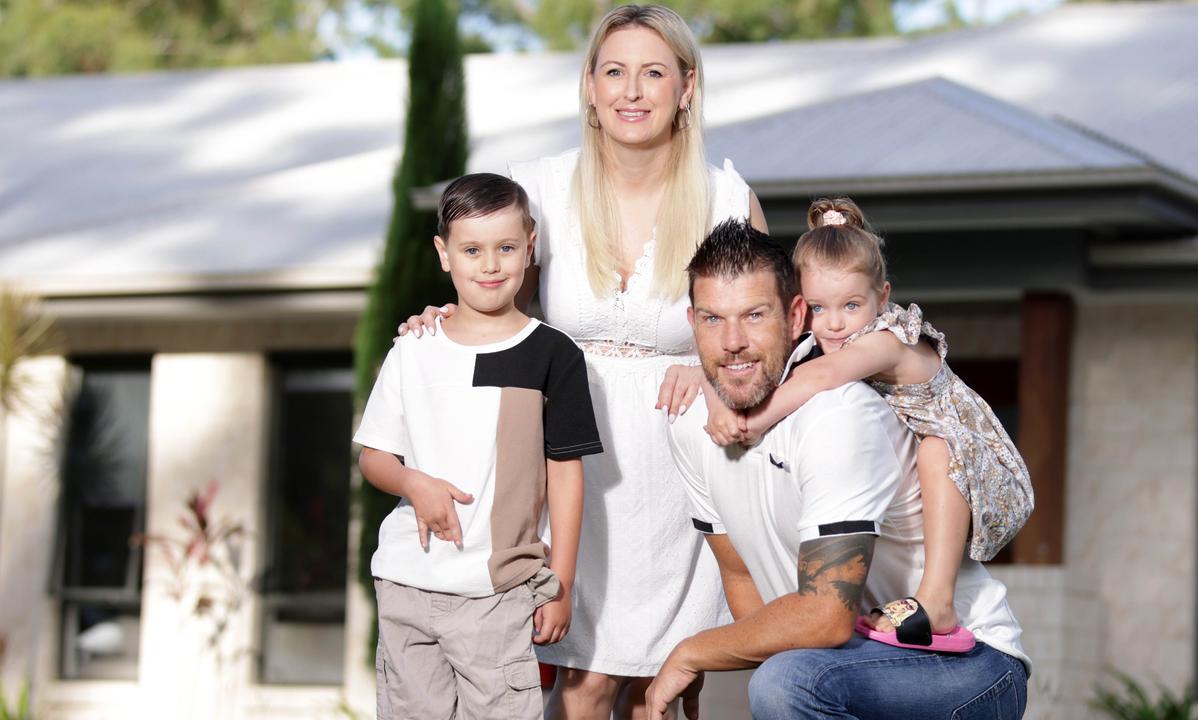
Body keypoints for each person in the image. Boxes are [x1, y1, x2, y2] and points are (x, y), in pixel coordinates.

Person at [399, 5, 768, 717]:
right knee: (588, 681)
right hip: (569, 464)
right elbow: (489, 302)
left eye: (654, 72)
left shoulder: (726, 199)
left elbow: (767, 335)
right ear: (590, 87)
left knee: (666, 688)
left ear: (686, 88)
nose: (633, 91)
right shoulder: (534, 187)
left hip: (681, 470)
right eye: (615, 72)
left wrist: (712, 363)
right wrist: (437, 321)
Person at [646, 218, 1030, 720]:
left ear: (792, 315)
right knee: (784, 673)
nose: (733, 340)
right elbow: (742, 578)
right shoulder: (691, 421)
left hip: (971, 663)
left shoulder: (841, 410)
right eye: (714, 320)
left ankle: (934, 600)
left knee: (788, 682)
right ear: (691, 321)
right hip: (857, 658)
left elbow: (824, 621)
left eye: (755, 315)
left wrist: (691, 650)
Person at [701, 197, 1034, 647]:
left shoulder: (887, 340)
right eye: (818, 308)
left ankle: (937, 599)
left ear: (883, 297)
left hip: (977, 464)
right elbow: (739, 366)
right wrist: (712, 394)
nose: (835, 324)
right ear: (801, 306)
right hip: (908, 481)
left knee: (938, 449)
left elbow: (823, 375)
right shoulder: (821, 335)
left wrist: (751, 421)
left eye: (852, 305)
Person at [356, 173, 602, 719]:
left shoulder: (552, 354)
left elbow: (565, 475)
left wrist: (561, 583)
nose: (490, 265)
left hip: (498, 593)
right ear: (445, 255)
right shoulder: (413, 349)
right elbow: (373, 456)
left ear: (529, 245)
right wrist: (413, 483)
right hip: (406, 583)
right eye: (472, 250)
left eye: (506, 248)